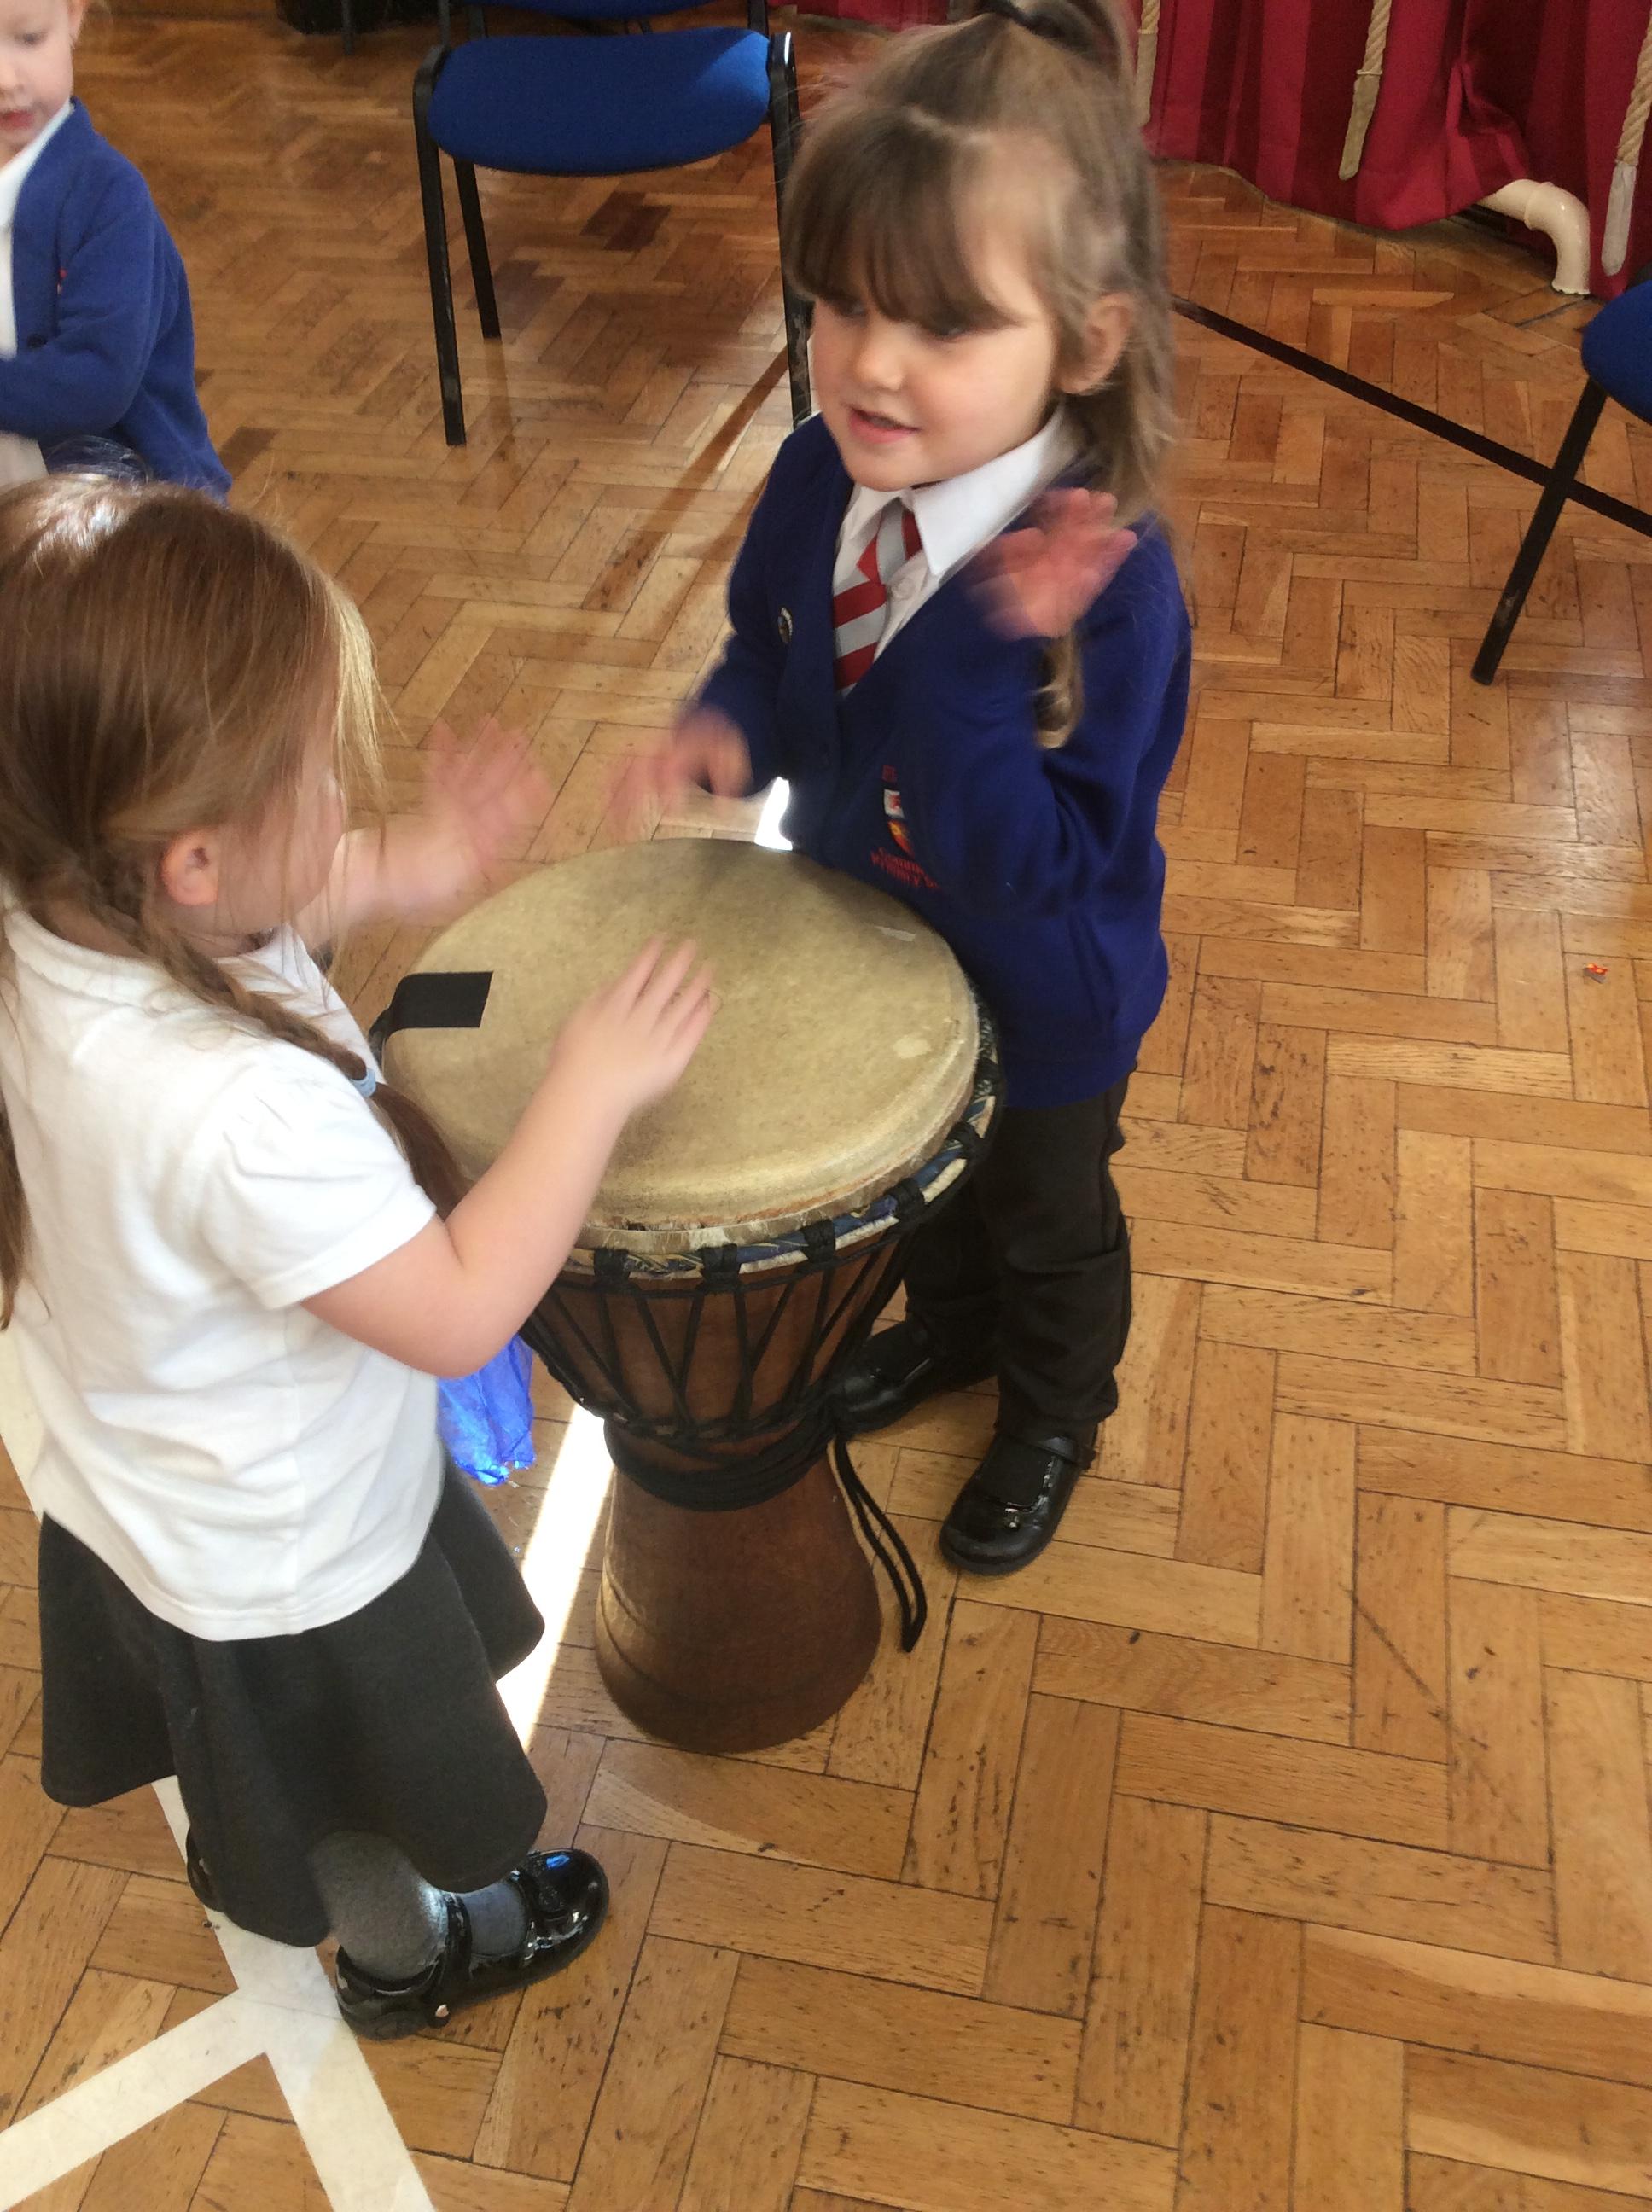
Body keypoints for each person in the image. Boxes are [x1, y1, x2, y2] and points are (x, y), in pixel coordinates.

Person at [0, 477, 711, 2039]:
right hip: (288, 1554)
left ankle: (279, 1839)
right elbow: (457, 1314)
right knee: (350, 1795)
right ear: (190, 859)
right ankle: (405, 1961)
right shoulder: (235, 1114)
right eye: (318, 774)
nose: (337, 795)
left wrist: (399, 861)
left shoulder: (48, 893)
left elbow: (231, 900)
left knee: (270, 1760)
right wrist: (586, 1091)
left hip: (148, 1486)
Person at [624, 0, 1190, 1575]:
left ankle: (1055, 1409)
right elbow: (770, 646)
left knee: (1042, 1219)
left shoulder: (1107, 589)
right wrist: (725, 725)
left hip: (1044, 994)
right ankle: (950, 1333)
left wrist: (968, 665)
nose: (871, 361)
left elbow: (1022, 862)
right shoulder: (824, 467)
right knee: (924, 1191)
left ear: (1085, 341)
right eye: (844, 301)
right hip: (867, 944)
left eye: (943, 325)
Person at [0, 0, 227, 492]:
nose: (6, 79)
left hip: (125, 516)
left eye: (30, 39)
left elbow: (95, 382)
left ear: (73, 18)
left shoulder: (108, 197)